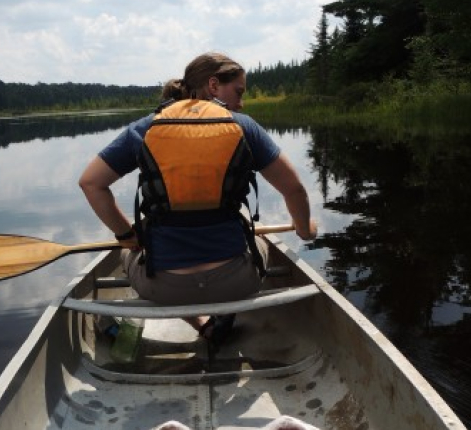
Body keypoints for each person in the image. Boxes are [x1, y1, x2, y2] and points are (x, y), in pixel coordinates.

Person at [79, 52, 317, 347]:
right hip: (237, 283)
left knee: (125, 252)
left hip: (163, 287)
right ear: (214, 85)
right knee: (257, 237)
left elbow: (91, 183)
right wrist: (305, 230)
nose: (241, 103)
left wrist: (127, 235)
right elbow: (294, 191)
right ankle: (220, 314)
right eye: (238, 92)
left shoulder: (145, 128)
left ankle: (203, 325)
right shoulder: (244, 127)